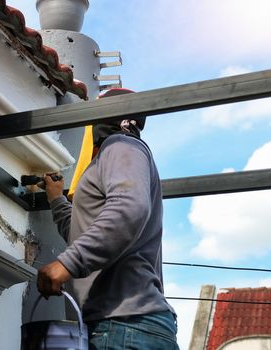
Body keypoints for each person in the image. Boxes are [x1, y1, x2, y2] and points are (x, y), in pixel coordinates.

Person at [36, 88, 179, 349]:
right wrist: (57, 199)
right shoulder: (113, 158)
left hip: (123, 326)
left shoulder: (122, 145)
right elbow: (85, 231)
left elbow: (127, 209)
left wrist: (68, 263)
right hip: (121, 327)